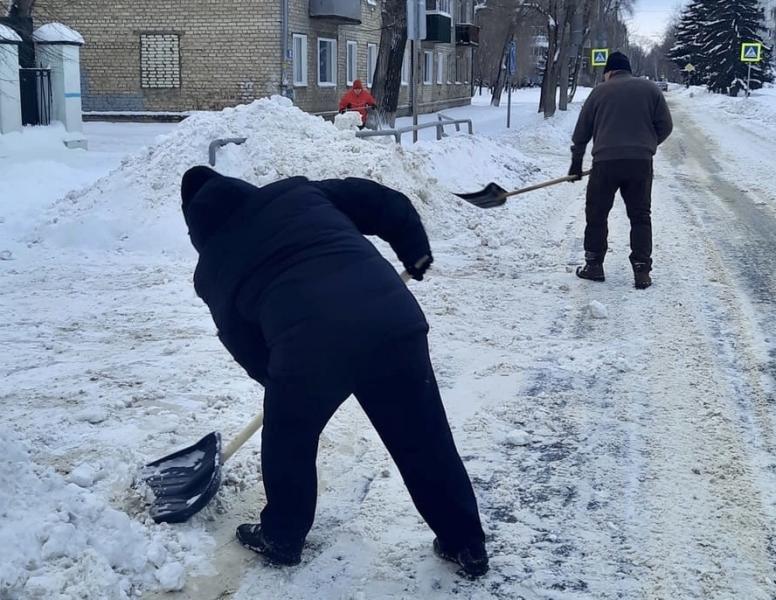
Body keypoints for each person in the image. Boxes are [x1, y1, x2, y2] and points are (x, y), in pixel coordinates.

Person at [180, 166, 489, 577]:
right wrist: (413, 249)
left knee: (287, 437)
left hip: (309, 348)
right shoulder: (300, 194)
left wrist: (281, 384)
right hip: (393, 320)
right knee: (423, 436)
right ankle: (464, 542)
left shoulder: (213, 267)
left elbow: (243, 344)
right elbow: (385, 203)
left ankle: (282, 537)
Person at [568, 51, 674, 289]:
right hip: (640, 163)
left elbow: (582, 130)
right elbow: (666, 125)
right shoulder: (650, 90)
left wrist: (576, 163)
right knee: (640, 216)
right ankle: (642, 270)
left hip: (605, 163)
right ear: (628, 70)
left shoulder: (599, 91)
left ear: (609, 71)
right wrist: (647, 145)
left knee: (597, 214)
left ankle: (594, 265)